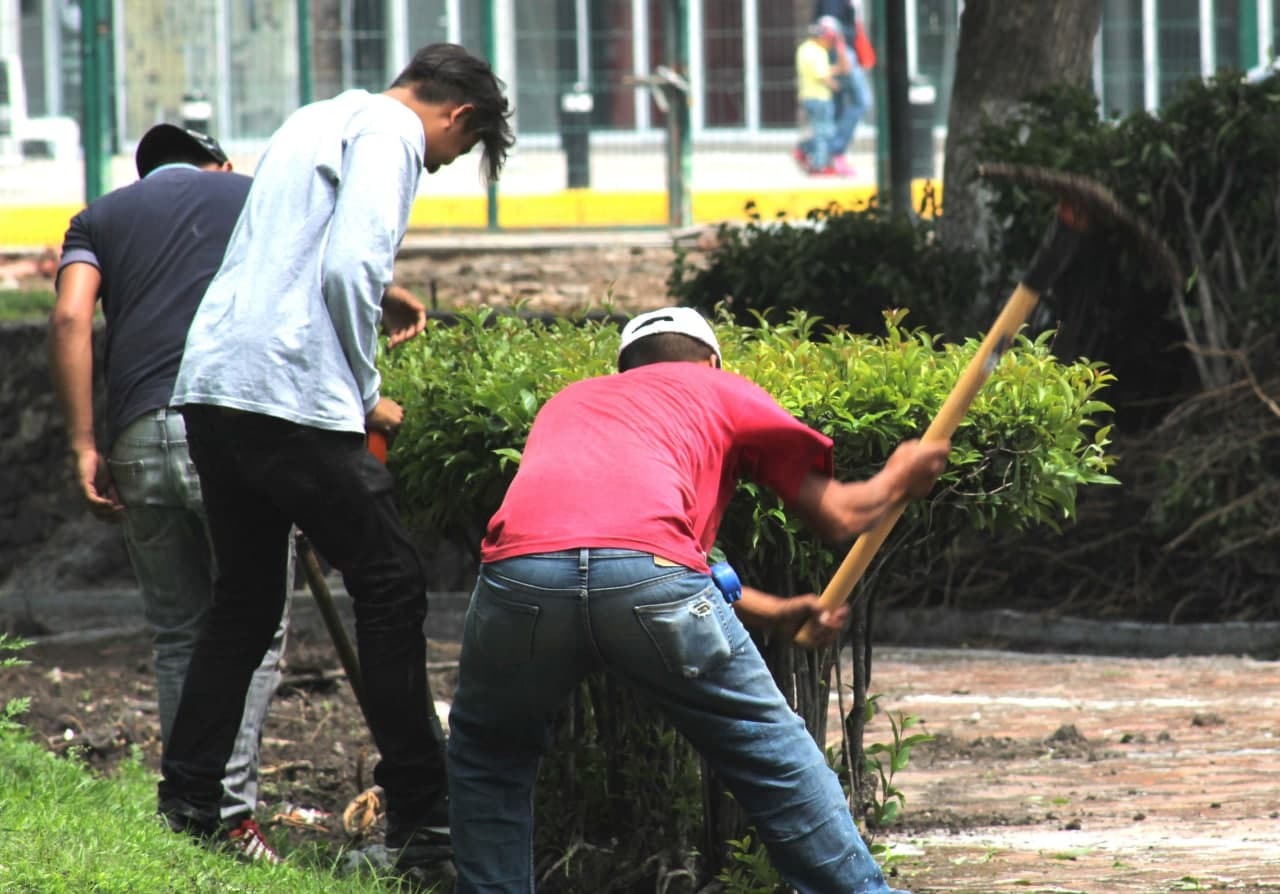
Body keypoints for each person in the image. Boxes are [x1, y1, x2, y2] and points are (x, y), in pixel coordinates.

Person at [153, 41, 514, 877]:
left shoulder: (315, 118)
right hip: (290, 395)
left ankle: (190, 798)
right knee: (389, 584)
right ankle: (424, 816)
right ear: (457, 114)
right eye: (450, 156)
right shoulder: (392, 131)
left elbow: (287, 247)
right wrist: (363, 391)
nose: (439, 165)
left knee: (242, 604)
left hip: (215, 386)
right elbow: (352, 263)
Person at [446, 306, 950, 893]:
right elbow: (836, 516)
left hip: (521, 577)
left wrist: (774, 612)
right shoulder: (718, 388)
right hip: (651, 577)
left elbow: (605, 544)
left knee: (489, 751)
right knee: (769, 748)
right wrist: (898, 477)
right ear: (712, 360)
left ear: (624, 368)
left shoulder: (574, 401)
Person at [48, 123, 290, 863]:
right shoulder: (252, 195)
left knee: (182, 633)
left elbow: (68, 317)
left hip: (138, 436)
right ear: (216, 162)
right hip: (230, 428)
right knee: (255, 627)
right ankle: (227, 815)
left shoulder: (101, 215)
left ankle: (187, 807)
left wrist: (85, 442)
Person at [814, 0, 876, 176]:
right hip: (843, 52)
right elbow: (829, 25)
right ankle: (834, 150)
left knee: (838, 105)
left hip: (845, 50)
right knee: (862, 101)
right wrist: (843, 56)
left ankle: (822, 153)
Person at [795, 16, 849, 177]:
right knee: (823, 132)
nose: (830, 44)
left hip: (807, 96)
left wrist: (835, 69)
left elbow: (817, 70)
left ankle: (806, 152)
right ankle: (818, 165)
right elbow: (821, 76)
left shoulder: (804, 48)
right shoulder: (818, 52)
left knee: (818, 130)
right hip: (820, 98)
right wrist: (836, 85)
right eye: (830, 40)